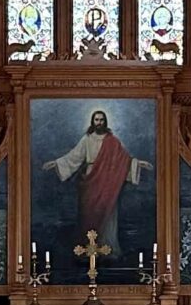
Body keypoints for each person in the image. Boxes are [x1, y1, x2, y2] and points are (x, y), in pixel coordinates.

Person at [45, 109, 151, 254]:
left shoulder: (112, 141)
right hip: (90, 180)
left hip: (108, 180)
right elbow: (74, 156)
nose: (99, 122)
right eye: (96, 120)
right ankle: (86, 251)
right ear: (92, 122)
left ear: (105, 121)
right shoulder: (87, 139)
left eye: (101, 120)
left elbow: (123, 160)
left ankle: (108, 248)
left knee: (108, 211)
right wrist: (56, 163)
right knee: (88, 213)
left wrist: (138, 164)